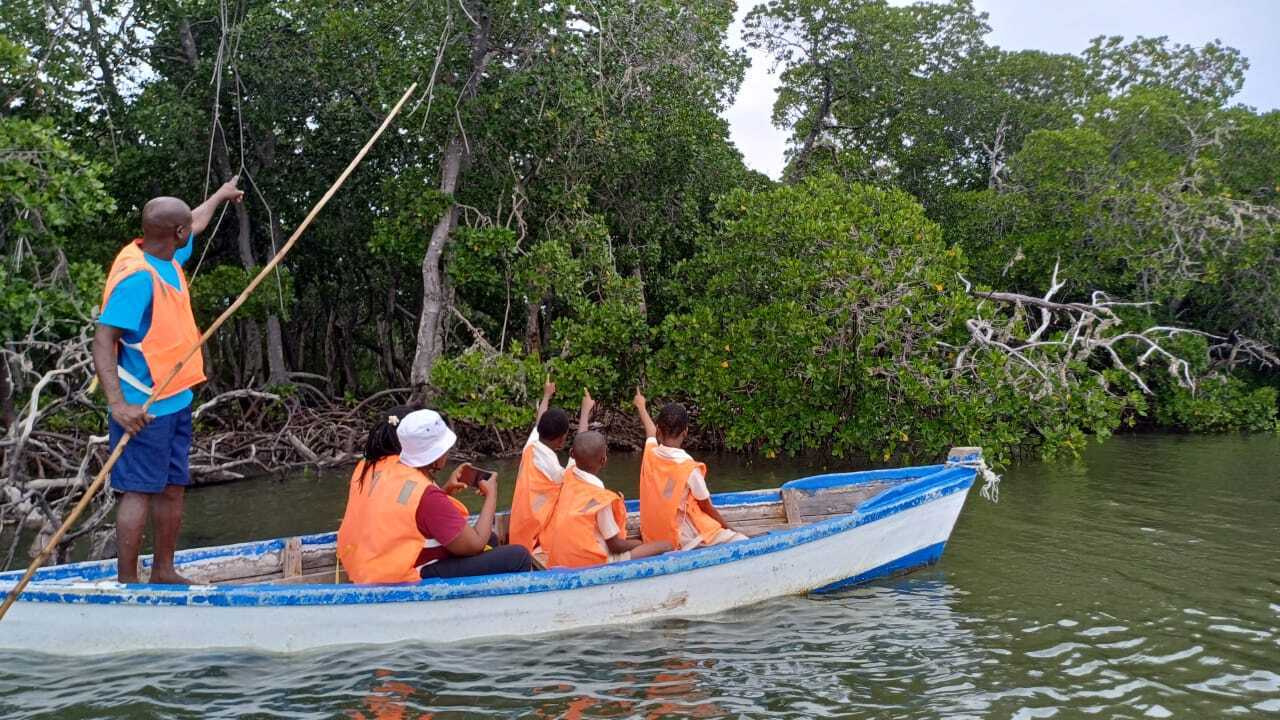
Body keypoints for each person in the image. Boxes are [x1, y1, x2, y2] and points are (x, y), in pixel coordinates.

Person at [92, 178, 244, 584]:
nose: (189, 231)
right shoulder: (138, 277)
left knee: (173, 486)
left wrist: (220, 195)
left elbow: (193, 221)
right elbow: (104, 340)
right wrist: (119, 405)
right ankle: (127, 583)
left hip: (176, 399)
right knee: (138, 490)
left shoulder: (167, 253)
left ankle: (163, 571)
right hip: (144, 407)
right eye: (183, 229)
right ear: (172, 234)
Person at [338, 408, 532, 582]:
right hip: (401, 574)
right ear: (438, 454)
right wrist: (491, 495)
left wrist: (443, 490)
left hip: (373, 563)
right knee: (518, 556)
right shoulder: (426, 494)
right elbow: (475, 544)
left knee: (491, 539)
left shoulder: (385, 469)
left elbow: (409, 509)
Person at [633, 390, 748, 551]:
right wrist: (731, 530)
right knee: (741, 540)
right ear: (685, 432)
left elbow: (650, 432)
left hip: (653, 534)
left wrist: (641, 406)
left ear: (659, 430)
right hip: (678, 537)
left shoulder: (650, 454)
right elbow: (707, 507)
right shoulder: (688, 468)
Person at [545, 431, 672, 568]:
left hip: (559, 557)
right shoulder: (600, 499)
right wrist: (640, 543)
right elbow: (615, 546)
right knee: (665, 545)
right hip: (588, 562)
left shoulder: (567, 476)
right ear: (604, 460)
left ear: (571, 454)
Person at [508, 380, 594, 562]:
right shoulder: (555, 471)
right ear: (562, 440)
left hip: (517, 533)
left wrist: (546, 395)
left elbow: (539, 420)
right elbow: (582, 449)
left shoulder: (530, 448)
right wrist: (585, 411)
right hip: (532, 540)